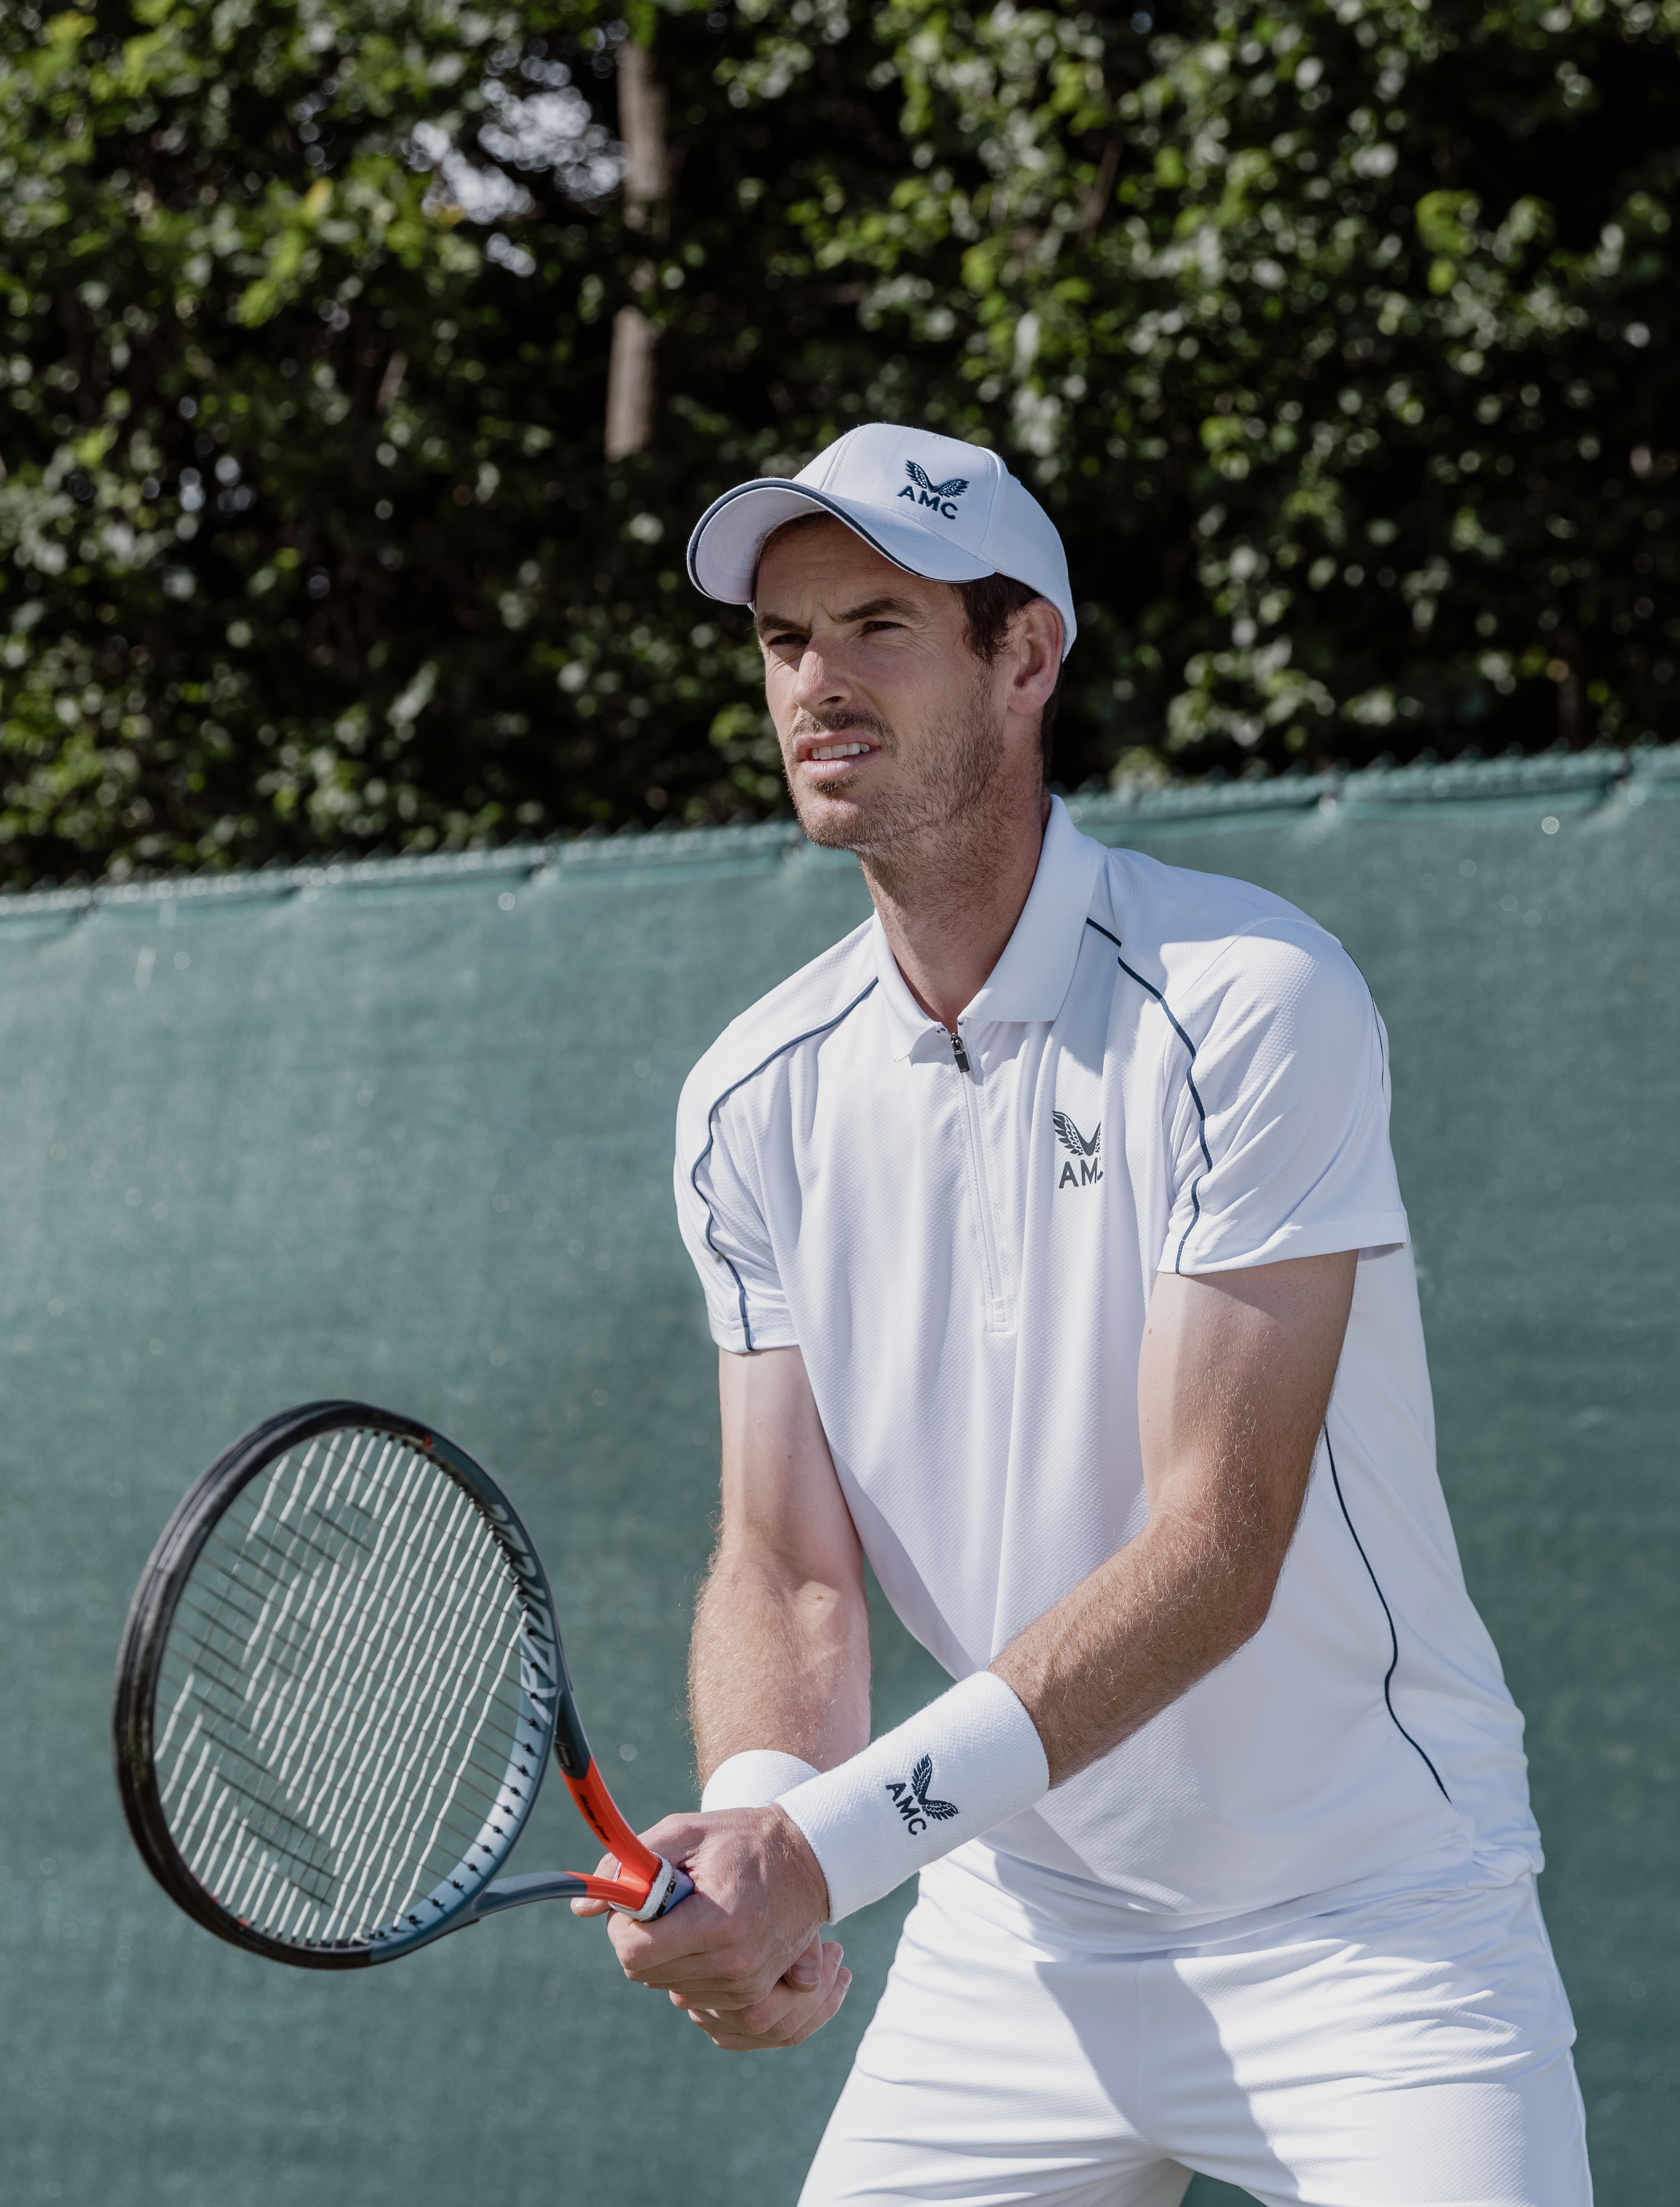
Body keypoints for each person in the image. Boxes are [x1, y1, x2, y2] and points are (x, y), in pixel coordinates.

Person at [576, 422, 1592, 2207]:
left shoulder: (1251, 1005)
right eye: (783, 640)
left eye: (879, 627)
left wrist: (823, 1850)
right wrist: (757, 1812)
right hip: (1016, 1940)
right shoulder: (749, 1097)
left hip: (1369, 1925)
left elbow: (1214, 1548)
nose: (817, 683)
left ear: (1026, 654)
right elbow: (787, 1563)